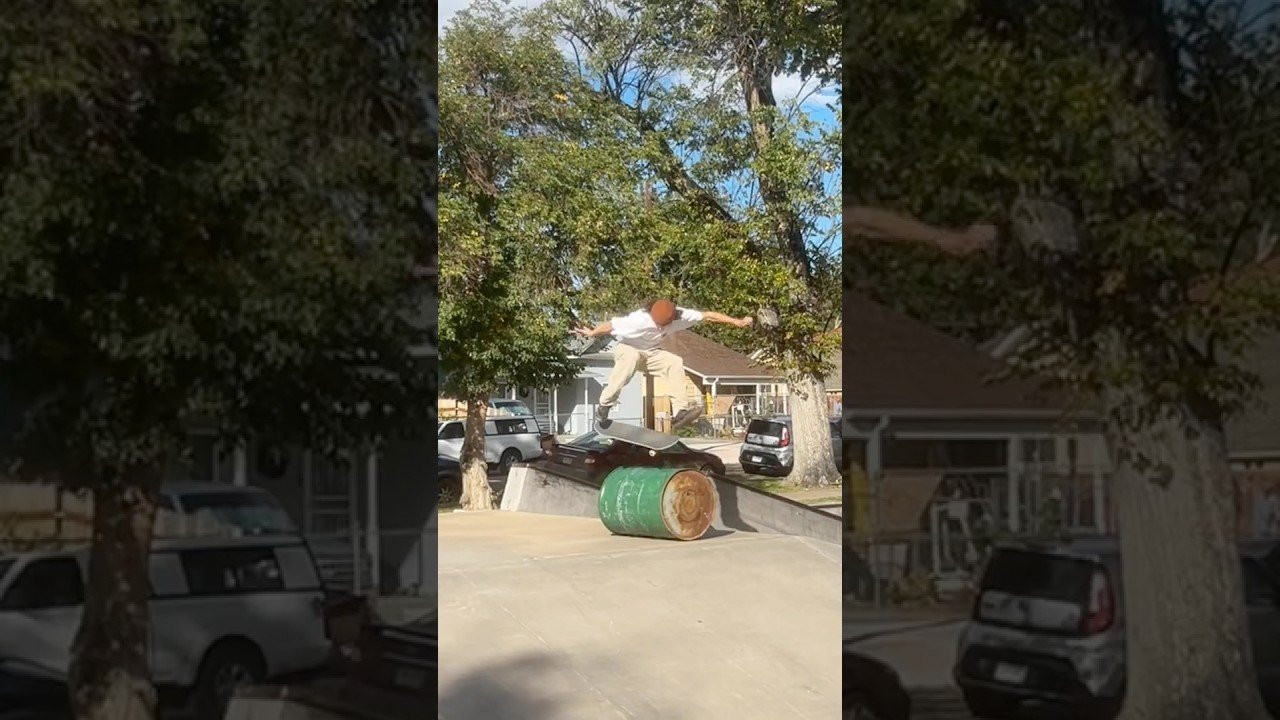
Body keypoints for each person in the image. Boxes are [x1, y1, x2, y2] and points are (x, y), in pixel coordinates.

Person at [573, 299, 752, 430]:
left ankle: (680, 412)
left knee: (675, 362)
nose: (660, 328)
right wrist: (591, 333)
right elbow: (611, 325)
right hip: (628, 348)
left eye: (663, 326)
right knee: (630, 360)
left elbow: (708, 316)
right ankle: (604, 405)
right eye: (657, 325)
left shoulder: (680, 315)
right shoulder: (638, 320)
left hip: (651, 353)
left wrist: (736, 321)